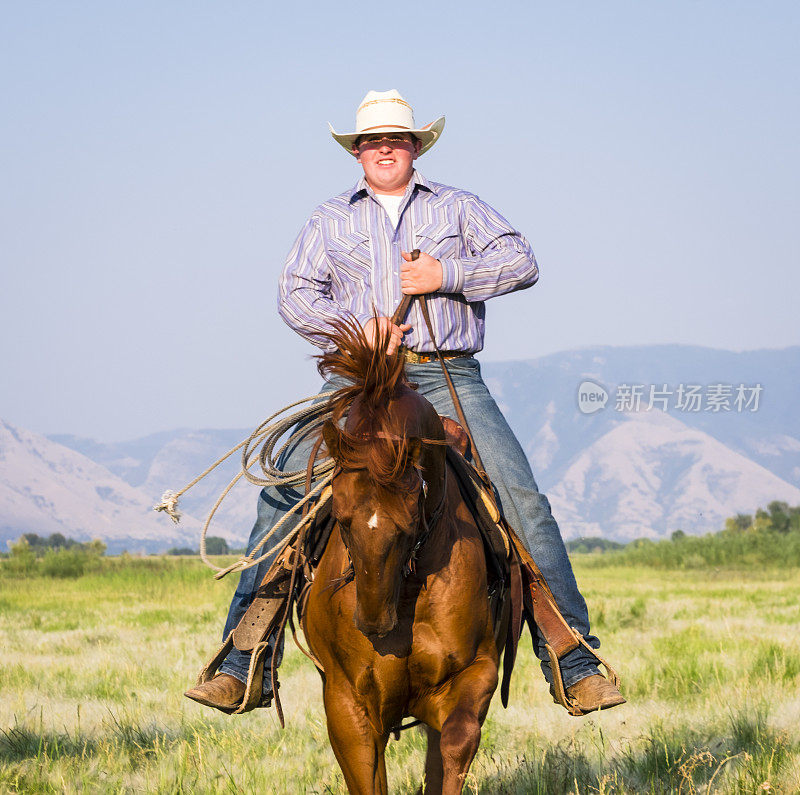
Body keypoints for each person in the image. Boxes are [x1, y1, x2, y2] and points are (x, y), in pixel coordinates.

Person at [185, 89, 625, 715]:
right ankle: (244, 657)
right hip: (355, 378)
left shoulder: (458, 206)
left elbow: (521, 260)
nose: (384, 148)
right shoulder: (328, 218)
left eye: (396, 139)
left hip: (447, 374)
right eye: (371, 141)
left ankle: (572, 656)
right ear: (357, 154)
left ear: (416, 148)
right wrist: (353, 325)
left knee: (521, 496)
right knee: (284, 488)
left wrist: (448, 277)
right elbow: (294, 294)